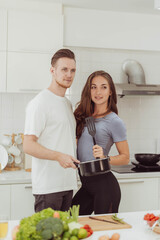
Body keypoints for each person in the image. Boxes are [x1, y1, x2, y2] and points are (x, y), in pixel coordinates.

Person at [23, 48, 80, 212]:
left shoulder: (66, 104)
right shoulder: (39, 103)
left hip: (68, 184)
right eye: (64, 69)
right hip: (48, 188)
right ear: (52, 71)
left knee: (64, 237)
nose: (69, 74)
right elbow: (28, 145)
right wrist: (58, 156)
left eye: (72, 70)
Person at [72, 70, 129, 215]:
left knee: (105, 231)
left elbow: (125, 157)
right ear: (89, 90)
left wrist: (105, 157)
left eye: (103, 87)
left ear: (110, 92)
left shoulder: (114, 121)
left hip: (105, 186)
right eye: (93, 87)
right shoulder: (83, 115)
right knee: (71, 220)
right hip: (86, 184)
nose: (98, 92)